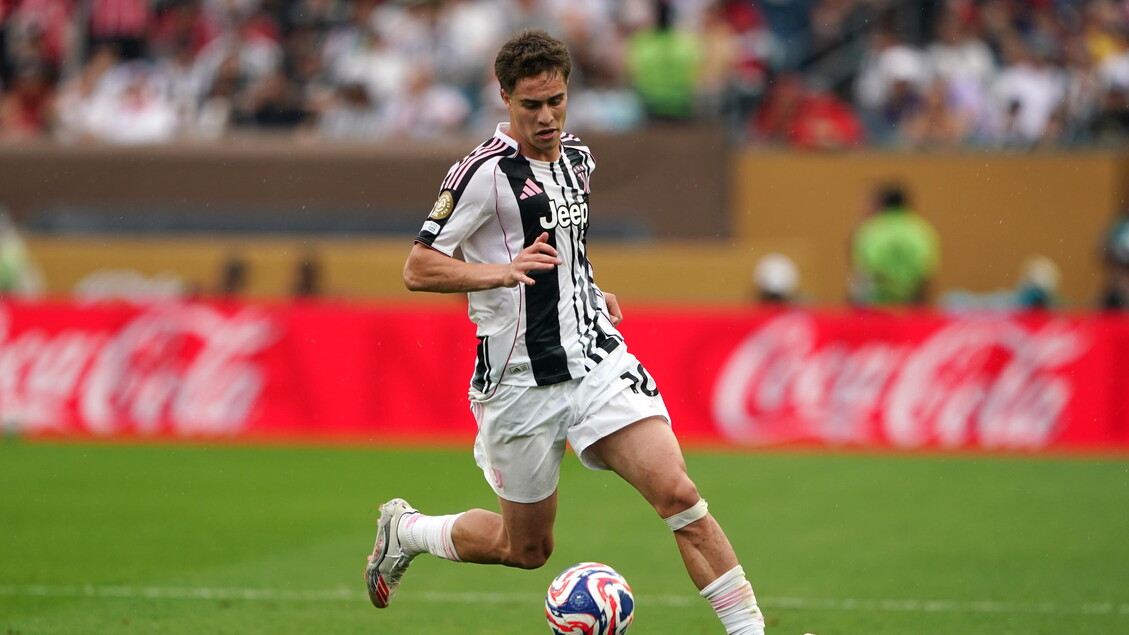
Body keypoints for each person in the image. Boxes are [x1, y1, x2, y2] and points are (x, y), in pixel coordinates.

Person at [364, 29, 767, 635]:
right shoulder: (481, 173)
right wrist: (501, 271)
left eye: (556, 101)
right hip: (520, 379)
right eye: (531, 105)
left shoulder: (578, 157)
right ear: (505, 97)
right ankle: (410, 531)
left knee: (679, 495)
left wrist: (587, 289)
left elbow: (569, 246)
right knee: (526, 549)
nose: (547, 117)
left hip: (595, 358)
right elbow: (417, 267)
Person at [849, 182, 940, 307]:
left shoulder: (870, 230)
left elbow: (863, 273)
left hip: (876, 307)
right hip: (910, 306)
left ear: (882, 204)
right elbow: (926, 276)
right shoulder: (922, 231)